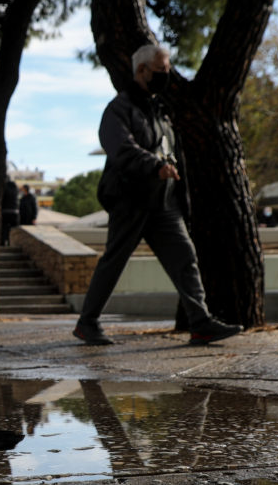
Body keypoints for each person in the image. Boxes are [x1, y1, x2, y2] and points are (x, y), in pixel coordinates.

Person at [72, 43, 242, 347]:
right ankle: (87, 323)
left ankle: (201, 323)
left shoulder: (160, 110)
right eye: (162, 71)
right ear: (142, 70)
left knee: (185, 258)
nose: (168, 76)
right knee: (115, 261)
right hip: (130, 199)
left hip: (164, 203)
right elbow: (121, 148)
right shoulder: (118, 109)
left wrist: (179, 191)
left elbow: (172, 153)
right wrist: (155, 166)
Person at [0, 178, 19, 246]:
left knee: (3, 228)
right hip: (14, 212)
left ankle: (3, 242)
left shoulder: (4, 189)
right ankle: (11, 242)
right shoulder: (15, 190)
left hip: (5, 212)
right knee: (13, 229)